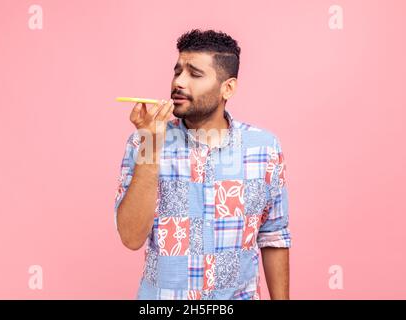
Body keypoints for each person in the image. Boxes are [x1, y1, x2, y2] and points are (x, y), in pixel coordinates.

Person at [114, 29, 291, 300]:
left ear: (227, 88)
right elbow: (130, 237)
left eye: (194, 74)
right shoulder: (144, 142)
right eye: (177, 71)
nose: (179, 82)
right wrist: (151, 146)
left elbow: (273, 236)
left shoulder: (264, 148)